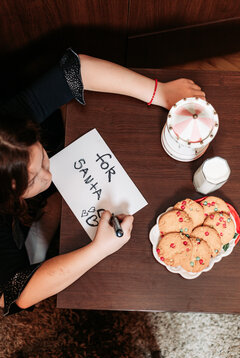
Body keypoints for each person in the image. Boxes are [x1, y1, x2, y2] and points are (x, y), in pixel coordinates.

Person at [0, 48, 205, 316]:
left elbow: (76, 69)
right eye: (32, 180)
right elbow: (14, 296)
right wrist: (99, 250)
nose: (49, 177)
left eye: (42, 158)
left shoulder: (7, 128)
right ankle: (36, 238)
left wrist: (159, 93)